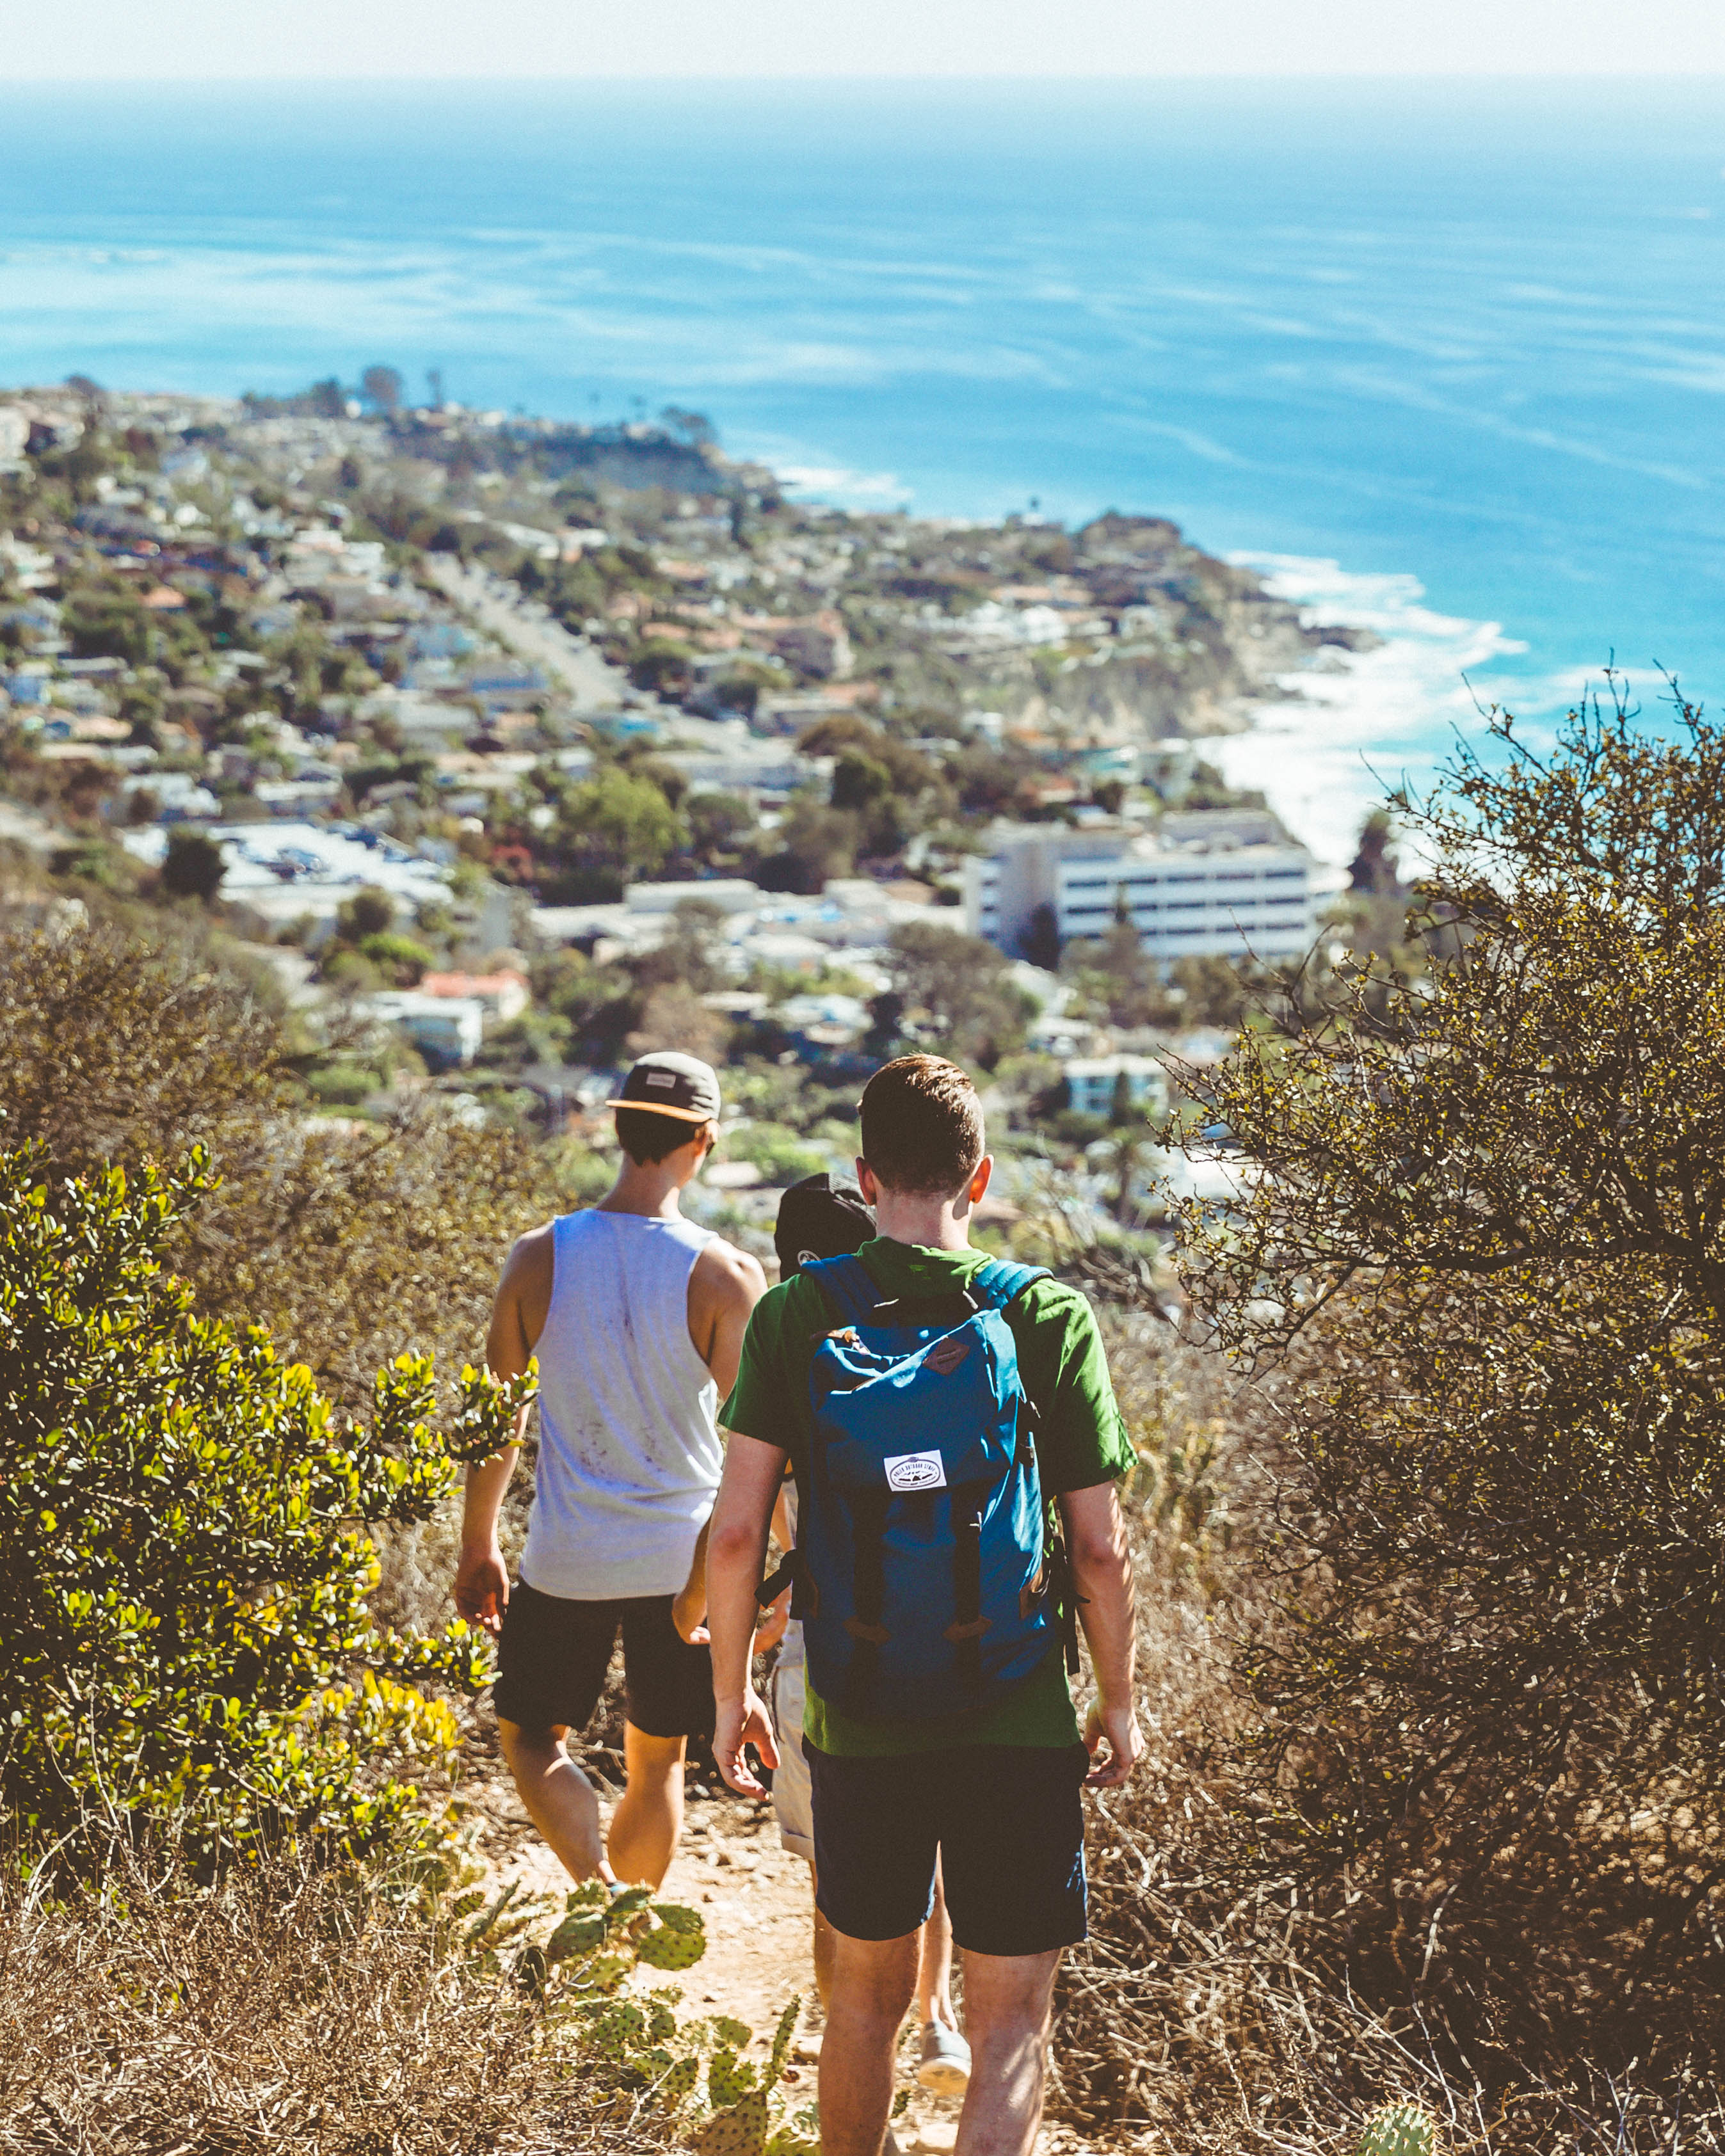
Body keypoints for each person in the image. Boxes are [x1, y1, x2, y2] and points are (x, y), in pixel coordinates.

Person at [705, 1057, 1143, 2156]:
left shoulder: (797, 1314)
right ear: (979, 1176)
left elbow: (736, 1533)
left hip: (858, 1708)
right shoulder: (1046, 1312)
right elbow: (1099, 1546)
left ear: (865, 1173)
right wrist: (1120, 1702)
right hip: (1016, 1711)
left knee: (863, 1997)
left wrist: (732, 1699)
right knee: (1008, 2024)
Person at [455, 1050, 765, 1892]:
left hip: (568, 1554)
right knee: (657, 1758)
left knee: (528, 1736)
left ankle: (595, 1888)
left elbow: (498, 1420)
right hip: (684, 1567)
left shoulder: (536, 1257)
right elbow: (755, 1452)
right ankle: (626, 1926)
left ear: (619, 1129)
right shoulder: (730, 1276)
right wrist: (755, 1581)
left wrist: (478, 1540)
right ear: (703, 1139)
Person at [766, 1174, 972, 2100]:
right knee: (925, 1855)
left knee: (834, 1873)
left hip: (827, 1654)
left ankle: (855, 2049)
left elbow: (752, 1528)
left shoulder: (781, 1347)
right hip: (946, 1646)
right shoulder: (939, 1344)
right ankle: (935, 2020)